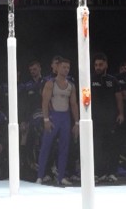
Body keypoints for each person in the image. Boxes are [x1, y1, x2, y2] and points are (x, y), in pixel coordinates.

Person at [37, 57, 78, 185]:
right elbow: (44, 103)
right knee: (46, 146)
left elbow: (74, 105)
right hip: (54, 117)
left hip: (65, 118)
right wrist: (46, 119)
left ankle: (61, 177)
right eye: (64, 67)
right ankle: (40, 176)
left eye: (68, 68)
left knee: (64, 148)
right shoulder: (50, 83)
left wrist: (77, 123)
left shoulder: (71, 86)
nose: (66, 70)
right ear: (58, 67)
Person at [90, 53, 123, 183]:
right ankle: (98, 173)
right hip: (95, 120)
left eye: (100, 65)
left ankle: (112, 172)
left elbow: (119, 98)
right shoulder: (90, 79)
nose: (98, 67)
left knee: (112, 147)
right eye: (96, 65)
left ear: (106, 65)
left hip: (111, 120)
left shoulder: (112, 80)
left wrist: (121, 114)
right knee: (97, 147)